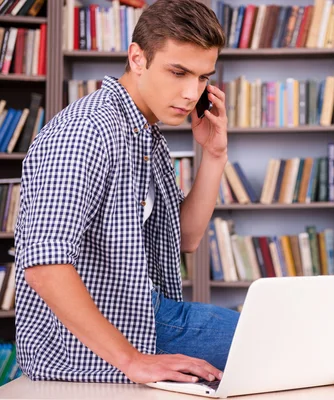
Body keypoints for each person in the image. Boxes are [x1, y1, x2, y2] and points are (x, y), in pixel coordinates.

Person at [14, 0, 238, 385]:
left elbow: (185, 238)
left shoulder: (144, 133)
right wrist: (134, 361)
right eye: (178, 72)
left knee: (288, 338)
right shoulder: (86, 130)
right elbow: (44, 265)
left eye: (202, 78)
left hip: (147, 314)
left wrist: (214, 155)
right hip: (92, 342)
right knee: (289, 341)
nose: (190, 93)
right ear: (137, 58)